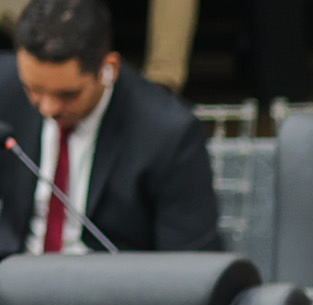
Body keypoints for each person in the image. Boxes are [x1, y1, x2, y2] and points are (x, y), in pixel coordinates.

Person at [0, 0, 221, 255]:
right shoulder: (6, 87)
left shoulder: (169, 133)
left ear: (109, 68)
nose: (49, 108)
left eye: (68, 95)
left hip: (112, 277)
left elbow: (188, 262)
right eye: (34, 90)